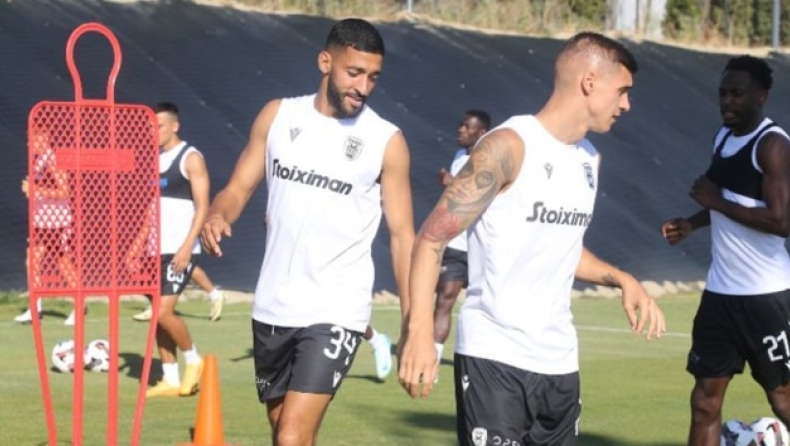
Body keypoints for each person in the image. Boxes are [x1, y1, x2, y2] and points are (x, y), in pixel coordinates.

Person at [399, 32, 666, 446]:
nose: (627, 104)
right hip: (494, 359)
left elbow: (564, 247)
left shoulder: (589, 160)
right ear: (589, 82)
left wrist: (621, 278)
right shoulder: (507, 147)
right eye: (622, 90)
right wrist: (419, 331)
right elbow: (432, 238)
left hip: (560, 364)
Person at [200, 18, 414, 445]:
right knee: (285, 429)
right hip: (273, 306)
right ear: (325, 63)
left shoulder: (385, 140)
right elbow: (237, 189)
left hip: (337, 308)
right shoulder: (278, 116)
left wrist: (414, 322)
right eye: (354, 73)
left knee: (291, 435)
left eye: (373, 77)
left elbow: (403, 236)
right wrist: (218, 215)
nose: (363, 87)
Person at [661, 55, 790, 446]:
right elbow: (727, 201)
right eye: (723, 93)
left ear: (761, 96)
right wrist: (692, 223)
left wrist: (715, 203)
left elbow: (781, 220)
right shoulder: (723, 138)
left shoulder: (773, 145)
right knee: (704, 403)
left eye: (737, 93)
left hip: (767, 296)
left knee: (783, 400)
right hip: (720, 296)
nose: (727, 101)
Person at [126, 102, 208, 398]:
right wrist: (137, 247)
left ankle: (194, 361)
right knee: (157, 317)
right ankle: (170, 378)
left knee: (163, 312)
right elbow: (152, 209)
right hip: (154, 249)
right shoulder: (155, 159)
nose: (153, 131)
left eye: (158, 125)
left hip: (178, 250)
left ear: (174, 126)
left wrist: (187, 247)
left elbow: (203, 207)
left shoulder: (191, 158)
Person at [433, 110, 490, 371]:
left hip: (481, 248)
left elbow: (482, 195)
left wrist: (452, 183)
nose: (461, 130)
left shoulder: (488, 160)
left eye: (468, 127)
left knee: (488, 307)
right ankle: (431, 361)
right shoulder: (459, 156)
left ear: (482, 133)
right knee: (444, 300)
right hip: (456, 246)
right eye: (461, 124)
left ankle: (487, 361)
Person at [15, 127, 85, 326]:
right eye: (28, 139)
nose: (29, 144)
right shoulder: (38, 161)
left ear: (44, 138)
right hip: (40, 222)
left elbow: (65, 192)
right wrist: (31, 191)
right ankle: (35, 308)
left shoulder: (53, 160)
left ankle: (80, 306)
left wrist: (35, 189)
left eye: (32, 139)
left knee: (64, 264)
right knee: (32, 262)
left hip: (57, 222)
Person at [131, 265, 226, 322]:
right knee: (145, 264)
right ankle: (155, 305)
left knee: (186, 265)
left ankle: (215, 295)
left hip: (175, 242)